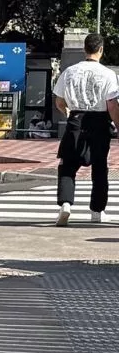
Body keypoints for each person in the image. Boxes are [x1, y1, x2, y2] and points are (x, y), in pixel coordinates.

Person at [53, 32, 119, 226]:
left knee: (68, 165)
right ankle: (97, 211)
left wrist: (69, 114)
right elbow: (112, 104)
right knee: (100, 167)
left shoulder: (69, 72)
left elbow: (59, 101)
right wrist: (117, 124)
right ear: (101, 50)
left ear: (84, 49)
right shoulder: (108, 74)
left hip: (76, 118)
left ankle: (65, 205)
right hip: (99, 121)